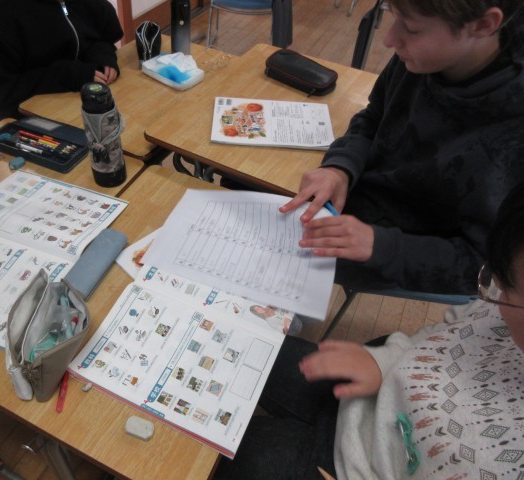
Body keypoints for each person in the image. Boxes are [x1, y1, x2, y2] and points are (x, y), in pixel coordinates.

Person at [216, 179, 524, 479]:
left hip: (350, 468)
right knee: (235, 346)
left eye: (506, 289)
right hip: (358, 394)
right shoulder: (501, 296)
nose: (494, 291)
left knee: (218, 458)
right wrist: (384, 361)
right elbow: (448, 333)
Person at [280, 0, 524, 295]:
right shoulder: (422, 54)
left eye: (411, 28)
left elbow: (487, 269)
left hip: (413, 247)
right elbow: (374, 115)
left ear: (483, 25)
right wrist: (340, 166)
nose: (389, 39)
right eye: (391, 16)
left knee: (280, 262)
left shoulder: (512, 129)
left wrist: (380, 246)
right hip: (363, 197)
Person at [0, 0, 124, 121]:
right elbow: (6, 90)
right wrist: (69, 75)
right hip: (32, 117)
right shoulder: (4, 16)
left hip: (82, 102)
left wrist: (103, 55)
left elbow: (102, 35)